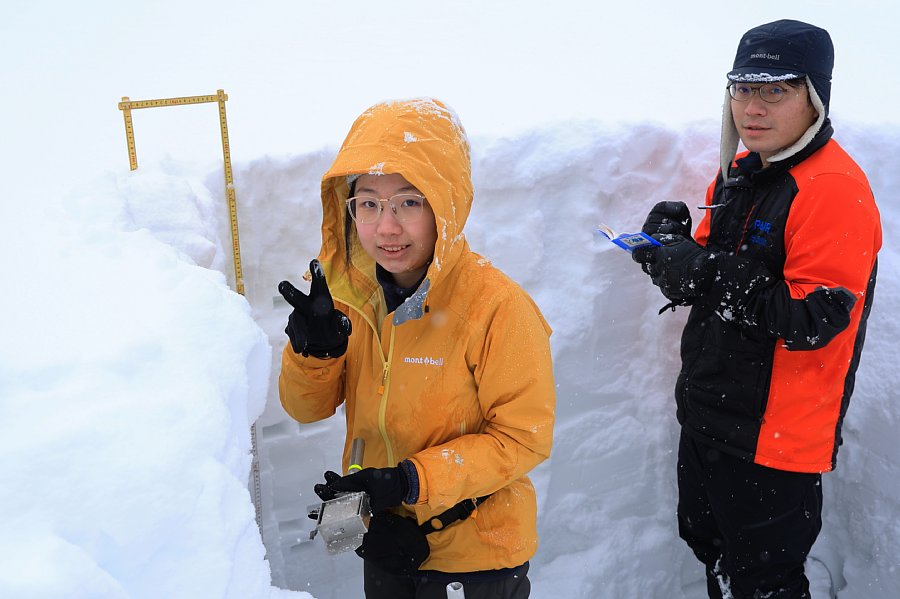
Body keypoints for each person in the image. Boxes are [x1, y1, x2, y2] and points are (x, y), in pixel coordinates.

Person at [631, 20, 882, 599]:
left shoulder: (832, 188)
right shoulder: (744, 172)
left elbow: (813, 319)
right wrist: (670, 250)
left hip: (776, 438)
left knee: (765, 581)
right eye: (742, 88)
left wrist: (702, 270)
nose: (753, 107)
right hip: (710, 412)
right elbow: (717, 277)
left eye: (775, 90)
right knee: (714, 553)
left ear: (814, 98)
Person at [277, 98, 555, 599]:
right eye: (368, 204)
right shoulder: (351, 300)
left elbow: (523, 439)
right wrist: (315, 353)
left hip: (476, 559)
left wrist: (408, 482)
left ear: (444, 205)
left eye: (409, 202)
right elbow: (305, 408)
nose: (386, 228)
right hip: (386, 543)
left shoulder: (496, 306)